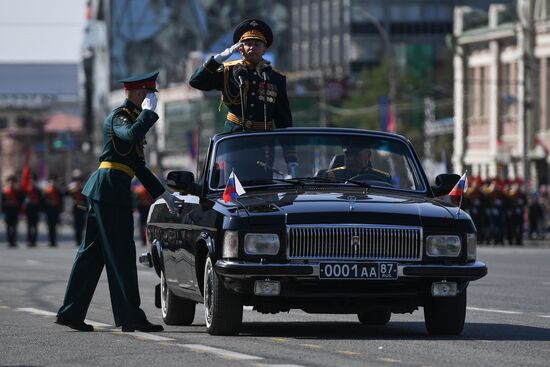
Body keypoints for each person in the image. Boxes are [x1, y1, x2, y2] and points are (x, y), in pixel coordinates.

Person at [56, 71, 181, 332]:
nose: (150, 99)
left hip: (110, 190)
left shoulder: (133, 118)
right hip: (110, 190)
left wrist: (163, 194)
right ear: (137, 94)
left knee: (92, 254)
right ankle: (130, 316)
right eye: (148, 95)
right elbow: (130, 136)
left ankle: (71, 312)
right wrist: (148, 114)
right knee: (122, 253)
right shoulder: (120, 117)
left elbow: (138, 165)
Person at [189, 18, 297, 178]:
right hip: (235, 141)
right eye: (247, 44)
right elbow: (196, 81)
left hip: (264, 146)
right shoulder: (228, 72)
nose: (252, 48)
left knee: (263, 189)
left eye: (257, 44)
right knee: (233, 190)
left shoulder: (275, 78)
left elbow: (284, 122)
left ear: (264, 49)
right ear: (240, 49)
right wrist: (218, 58)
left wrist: (291, 160)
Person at [320, 145, 391, 183]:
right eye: (347, 154)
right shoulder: (331, 177)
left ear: (368, 155)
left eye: (356, 154)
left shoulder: (383, 179)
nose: (350, 159)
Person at [67, 170, 87, 247]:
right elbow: (68, 196)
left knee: (81, 225)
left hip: (82, 207)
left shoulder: (83, 188)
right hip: (76, 207)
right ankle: (77, 240)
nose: (78, 181)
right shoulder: (73, 188)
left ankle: (80, 239)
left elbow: (85, 199)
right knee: (76, 225)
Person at [1, 175, 23, 247]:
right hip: (8, 212)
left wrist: (20, 211)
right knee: (8, 227)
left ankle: (13, 241)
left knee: (14, 227)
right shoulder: (4, 192)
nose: (11, 184)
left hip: (15, 211)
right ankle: (9, 241)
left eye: (12, 182)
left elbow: (20, 202)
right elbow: (2, 203)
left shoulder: (17, 192)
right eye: (10, 182)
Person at [43, 174, 64, 247]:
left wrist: (61, 210)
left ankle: (54, 241)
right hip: (49, 210)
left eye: (54, 181)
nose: (53, 183)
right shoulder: (47, 191)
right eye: (52, 181)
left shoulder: (58, 190)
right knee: (49, 227)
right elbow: (44, 201)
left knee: (55, 227)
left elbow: (61, 201)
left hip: (56, 211)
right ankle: (50, 241)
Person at [22, 173, 41, 247]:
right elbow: (23, 200)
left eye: (33, 180)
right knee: (29, 227)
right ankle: (29, 241)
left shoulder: (38, 190)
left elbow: (40, 201)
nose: (32, 181)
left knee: (35, 227)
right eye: (30, 180)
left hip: (35, 210)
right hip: (29, 211)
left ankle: (34, 241)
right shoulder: (26, 190)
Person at [132, 181, 153, 247]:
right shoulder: (147, 189)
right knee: (148, 224)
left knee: (142, 225)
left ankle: (144, 241)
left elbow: (136, 201)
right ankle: (149, 240)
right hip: (148, 208)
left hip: (142, 209)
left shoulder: (138, 190)